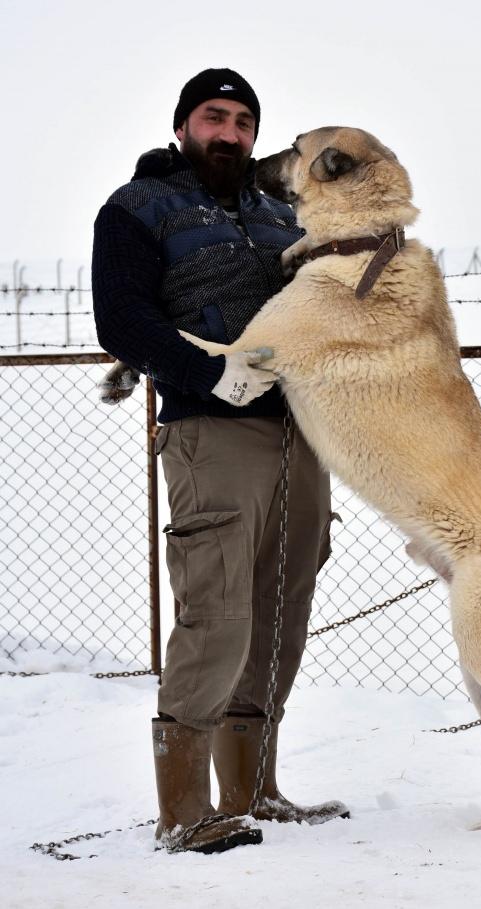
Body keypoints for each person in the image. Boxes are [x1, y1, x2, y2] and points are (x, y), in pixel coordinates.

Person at [92, 68, 348, 855]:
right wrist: (212, 372)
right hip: (213, 431)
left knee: (282, 611)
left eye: (243, 120)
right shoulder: (138, 209)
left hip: (299, 435)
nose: (230, 132)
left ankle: (253, 789)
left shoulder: (280, 214)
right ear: (183, 126)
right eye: (215, 116)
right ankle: (183, 811)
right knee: (217, 612)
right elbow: (121, 318)